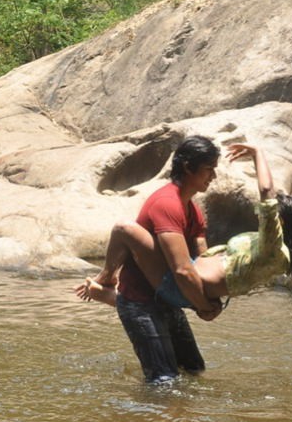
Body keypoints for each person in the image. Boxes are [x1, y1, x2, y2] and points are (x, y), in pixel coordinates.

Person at [76, 142, 292, 329]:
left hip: (183, 285)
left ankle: (106, 280)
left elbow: (266, 192)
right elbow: (207, 256)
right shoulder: (273, 250)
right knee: (159, 306)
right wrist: (209, 304)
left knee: (122, 229)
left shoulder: (273, 246)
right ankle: (105, 291)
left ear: (280, 222)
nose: (263, 213)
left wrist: (258, 153)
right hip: (190, 281)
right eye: (209, 169)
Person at [90, 135, 223, 383]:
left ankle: (105, 293)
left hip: (167, 298)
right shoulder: (167, 204)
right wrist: (203, 306)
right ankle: (146, 420)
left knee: (194, 370)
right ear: (187, 167)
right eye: (208, 169)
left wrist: (211, 300)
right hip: (140, 303)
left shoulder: (192, 209)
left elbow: (203, 259)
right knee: (164, 383)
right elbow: (182, 269)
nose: (213, 176)